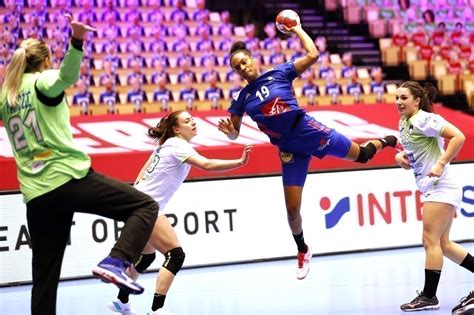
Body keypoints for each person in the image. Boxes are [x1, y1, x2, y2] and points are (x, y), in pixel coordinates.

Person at [0, 15, 158, 315]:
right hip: (66, 177)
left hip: (35, 194)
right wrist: (76, 41)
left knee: (44, 278)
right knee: (145, 207)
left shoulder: (6, 95)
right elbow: (66, 78)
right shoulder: (42, 81)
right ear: (45, 60)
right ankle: (116, 260)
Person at [217, 22, 398, 280]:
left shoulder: (279, 73)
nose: (243, 67)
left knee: (363, 156)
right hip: (289, 148)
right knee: (292, 211)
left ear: (252, 59)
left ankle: (389, 139)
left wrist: (298, 29)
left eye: (245, 61)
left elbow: (313, 55)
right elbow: (234, 132)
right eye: (238, 67)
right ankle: (302, 249)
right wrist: (229, 132)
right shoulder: (242, 99)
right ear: (236, 72)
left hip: (309, 131)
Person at [107, 110, 252, 315]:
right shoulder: (177, 145)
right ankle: (157, 310)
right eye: (187, 121)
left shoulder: (165, 145)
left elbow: (142, 173)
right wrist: (239, 162)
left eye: (192, 119)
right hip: (147, 207)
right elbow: (207, 164)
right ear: (176, 129)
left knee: (146, 257)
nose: (192, 122)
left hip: (140, 204)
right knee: (175, 255)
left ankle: (121, 301)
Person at [393, 81, 474, 313]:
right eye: (397, 98)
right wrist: (401, 158)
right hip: (432, 186)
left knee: (430, 241)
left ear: (417, 101)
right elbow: (414, 152)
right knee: (443, 245)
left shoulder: (425, 119)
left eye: (404, 98)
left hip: (440, 186)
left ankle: (429, 297)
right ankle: (429, 296)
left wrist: (440, 163)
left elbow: (458, 136)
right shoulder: (405, 122)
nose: (399, 102)